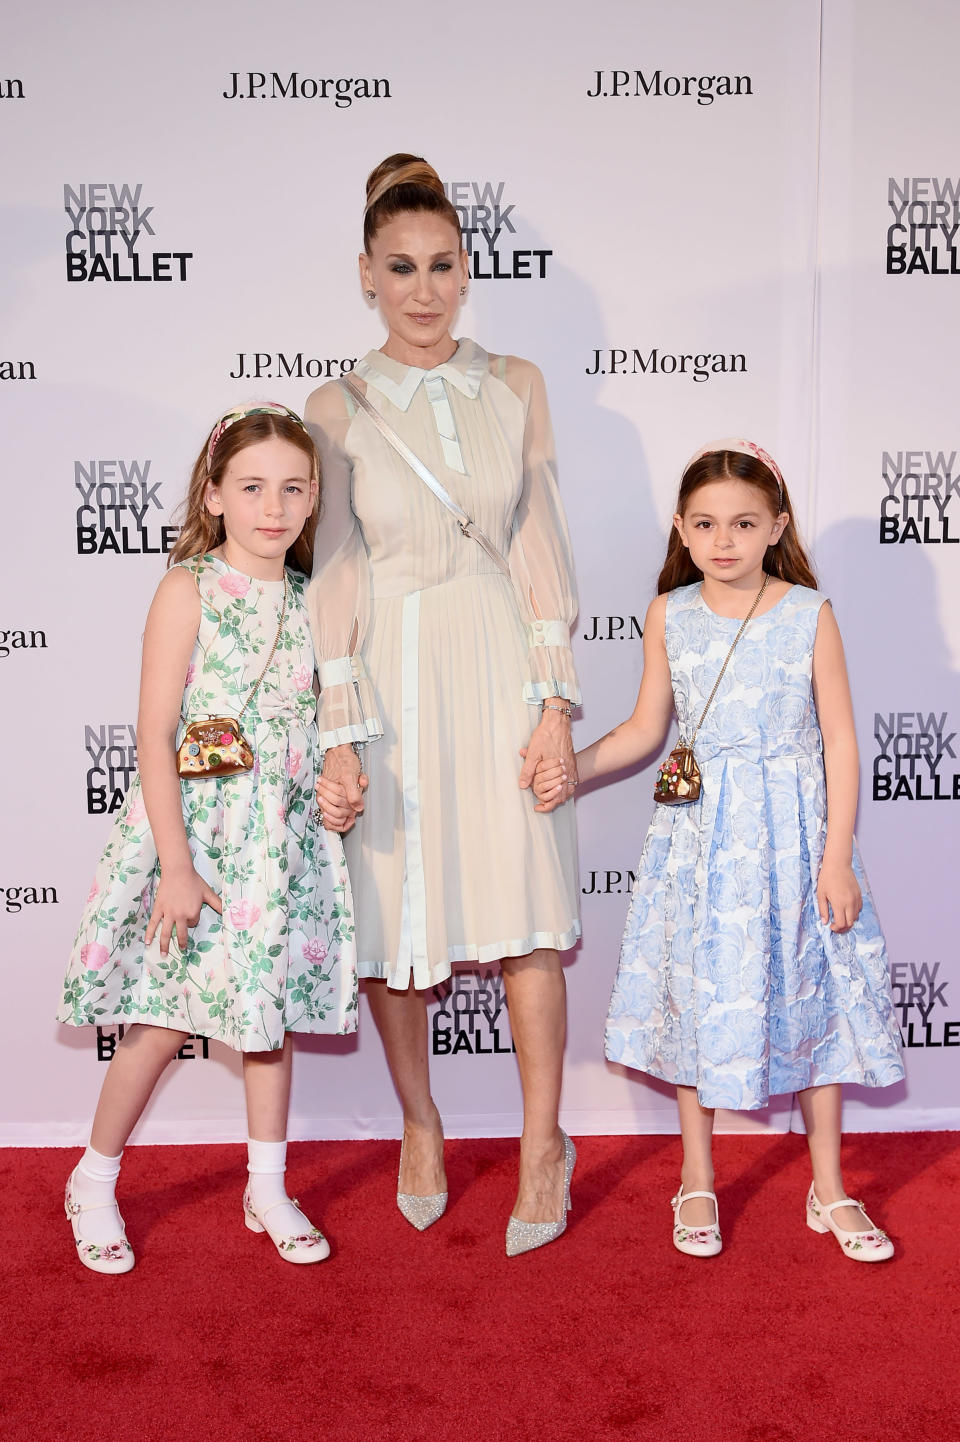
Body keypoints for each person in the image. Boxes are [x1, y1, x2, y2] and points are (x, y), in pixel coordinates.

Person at [534, 439, 904, 1260]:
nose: (724, 540)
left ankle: (830, 1189)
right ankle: (695, 1176)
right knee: (699, 999)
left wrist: (836, 855)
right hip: (701, 839)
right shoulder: (670, 612)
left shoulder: (810, 613)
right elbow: (642, 729)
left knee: (818, 1001)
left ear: (776, 525)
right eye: (705, 524)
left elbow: (841, 741)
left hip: (797, 837)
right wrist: (571, 766)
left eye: (742, 522)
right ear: (681, 528)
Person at [305, 154, 581, 1256]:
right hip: (393, 670)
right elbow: (334, 569)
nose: (425, 289)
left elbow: (537, 541)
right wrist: (338, 729)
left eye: (444, 266)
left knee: (527, 924)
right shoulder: (337, 403)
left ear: (470, 271)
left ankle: (542, 1141)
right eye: (401, 267)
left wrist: (554, 704)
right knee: (393, 928)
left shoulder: (516, 382)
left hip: (502, 658)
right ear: (365, 273)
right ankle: (421, 1120)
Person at [58, 403, 357, 1273]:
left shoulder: (317, 599)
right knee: (157, 1021)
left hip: (277, 846)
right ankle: (94, 1176)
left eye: (293, 488)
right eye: (253, 486)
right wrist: (177, 867)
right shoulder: (186, 587)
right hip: (192, 839)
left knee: (264, 1027)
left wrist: (338, 787)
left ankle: (267, 1186)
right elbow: (155, 733)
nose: (274, 506)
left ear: (313, 502)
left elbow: (331, 724)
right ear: (215, 494)